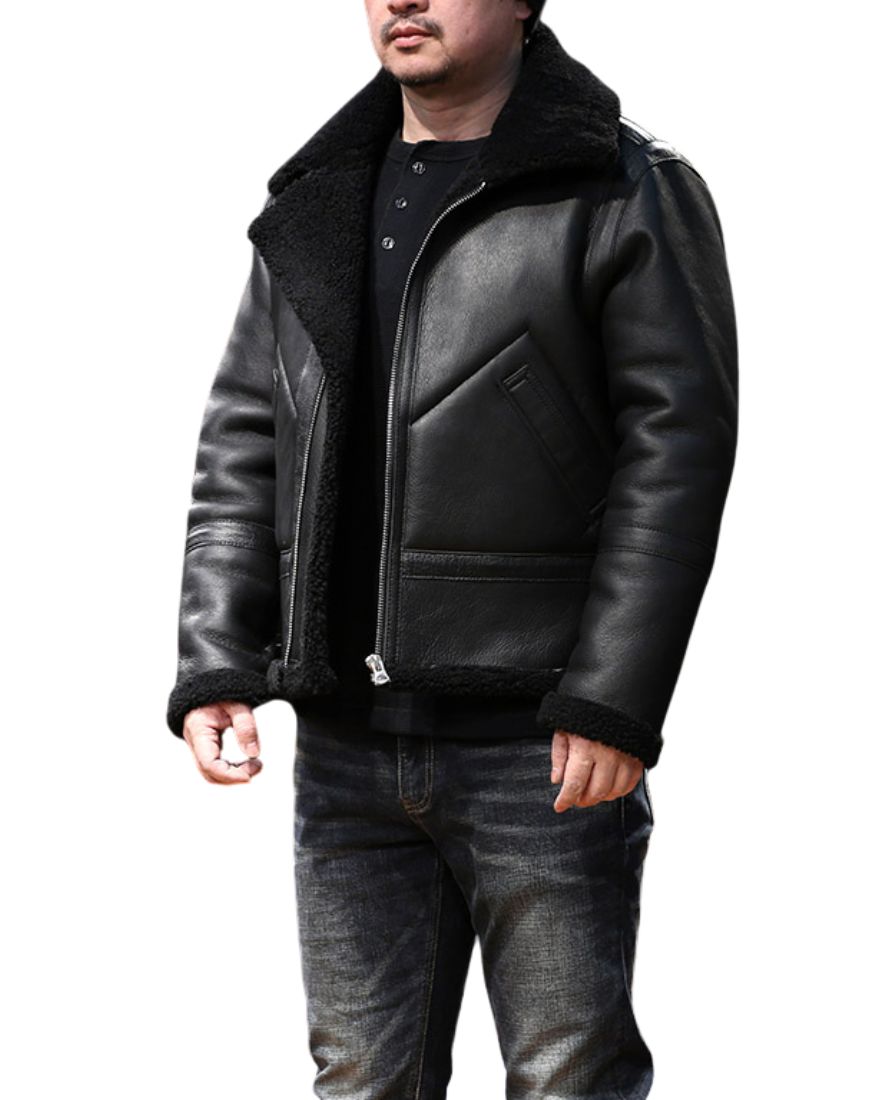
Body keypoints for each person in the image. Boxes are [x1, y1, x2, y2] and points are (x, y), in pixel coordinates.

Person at [166, 2, 738, 1096]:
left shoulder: (625, 189)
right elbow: (245, 434)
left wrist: (612, 698)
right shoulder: (315, 199)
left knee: (569, 1078)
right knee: (360, 1082)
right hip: (345, 744)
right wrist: (218, 656)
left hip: (542, 749)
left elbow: (677, 458)